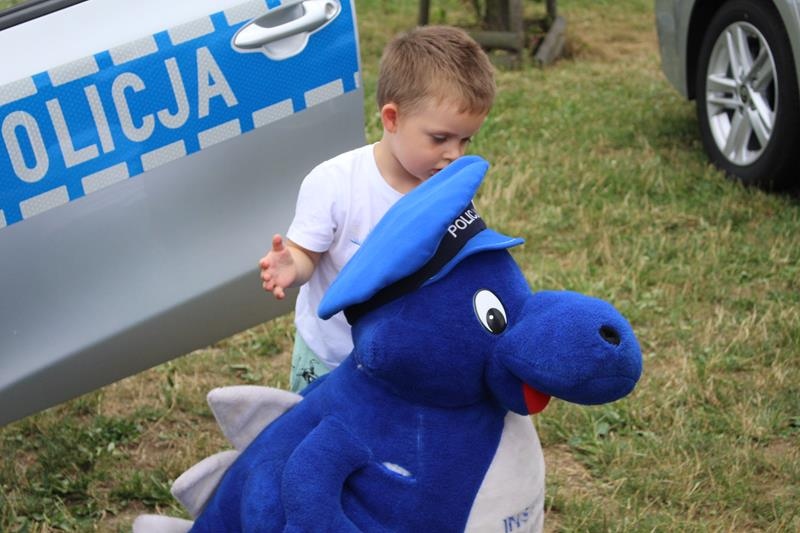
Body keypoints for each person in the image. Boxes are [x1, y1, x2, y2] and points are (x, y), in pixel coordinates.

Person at [259, 25, 496, 392]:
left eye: (465, 140)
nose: (454, 154)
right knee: (316, 425)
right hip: (330, 358)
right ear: (392, 118)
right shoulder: (335, 183)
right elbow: (307, 255)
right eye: (440, 138)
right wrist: (293, 264)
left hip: (401, 360)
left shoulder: (448, 191)